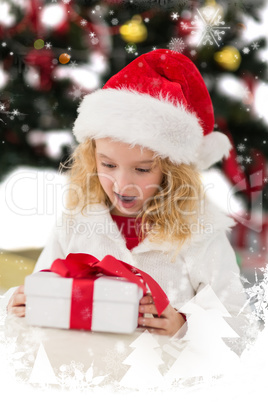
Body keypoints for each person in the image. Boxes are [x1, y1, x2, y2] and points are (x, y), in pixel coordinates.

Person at [6, 49, 251, 337]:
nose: (123, 185)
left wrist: (185, 325)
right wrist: (18, 303)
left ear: (172, 172)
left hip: (166, 376)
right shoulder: (77, 221)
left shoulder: (199, 231)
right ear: (92, 156)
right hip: (86, 373)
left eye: (143, 170)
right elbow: (43, 291)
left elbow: (240, 323)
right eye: (108, 164)